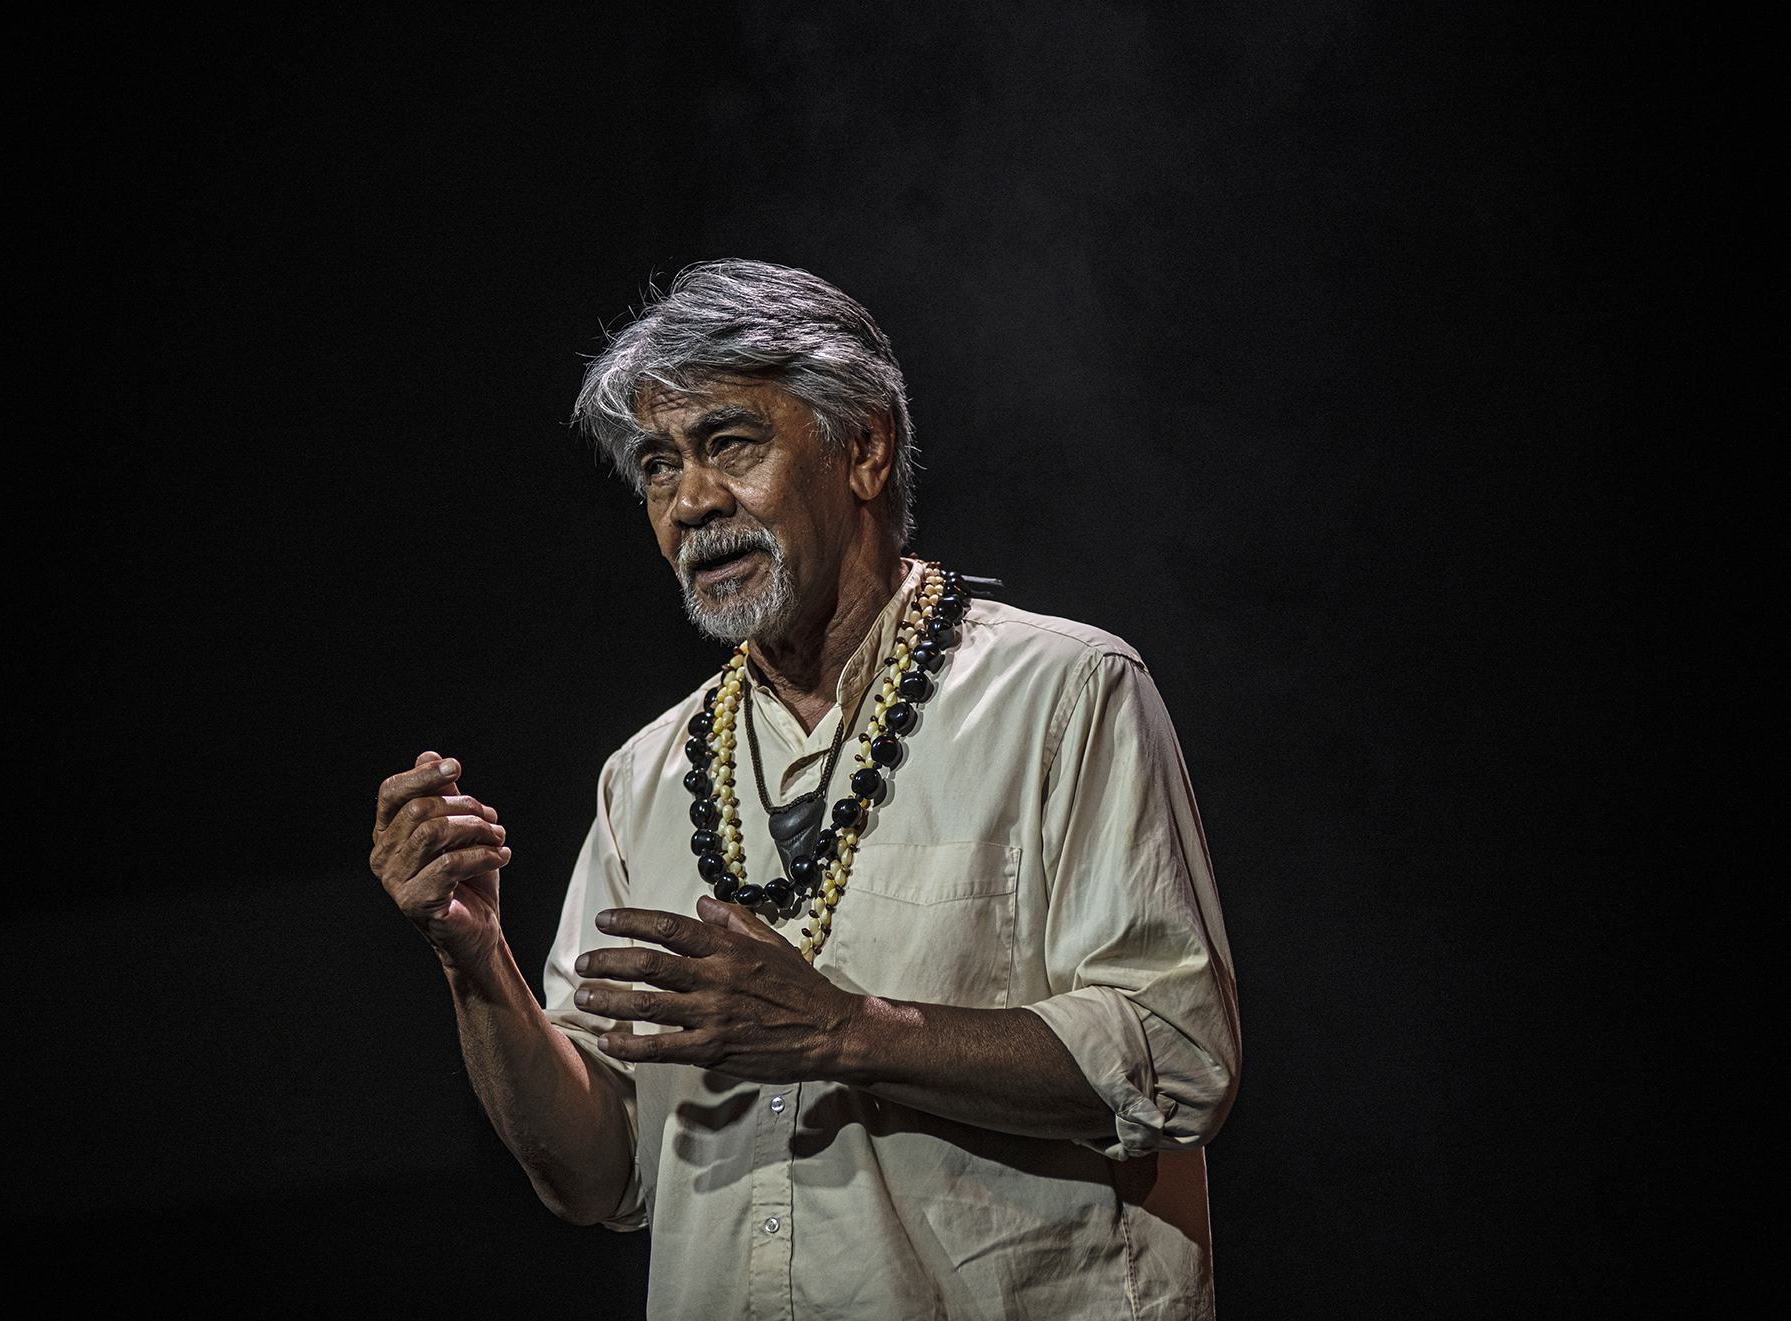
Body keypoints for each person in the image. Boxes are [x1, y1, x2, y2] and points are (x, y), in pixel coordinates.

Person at [370, 260, 1241, 1319]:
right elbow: (601, 1174)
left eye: (729, 443)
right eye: (656, 464)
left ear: (863, 448)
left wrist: (841, 1032)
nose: (690, 501)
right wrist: (474, 961)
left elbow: (1181, 1054)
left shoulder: (1065, 695)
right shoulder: (644, 777)